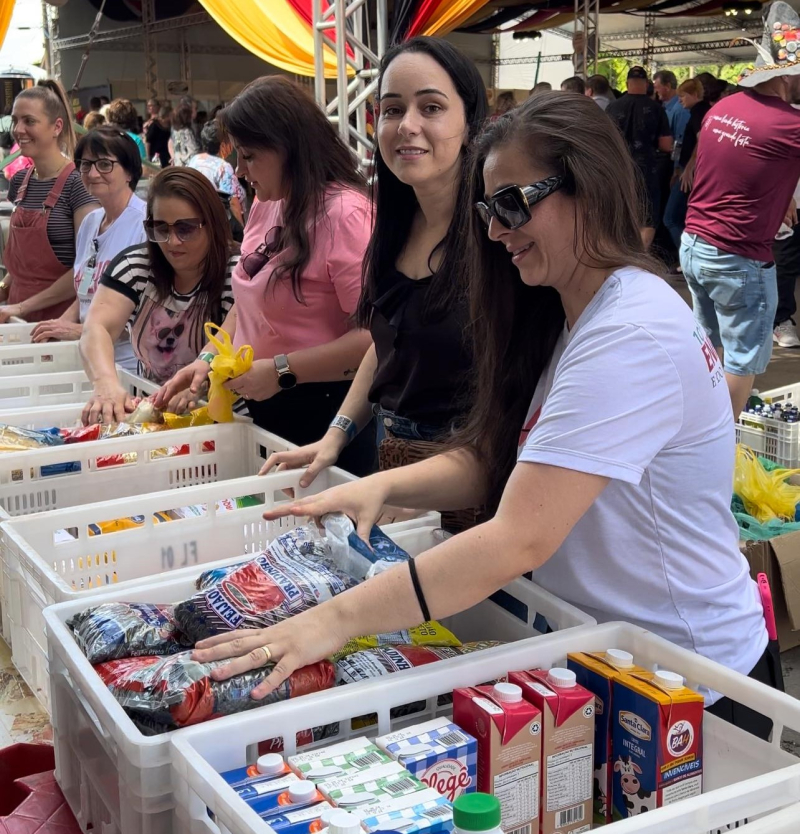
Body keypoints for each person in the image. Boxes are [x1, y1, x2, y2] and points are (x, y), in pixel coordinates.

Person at [194, 90, 779, 740]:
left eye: (512, 205)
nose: (497, 232)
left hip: (697, 684)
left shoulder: (630, 333)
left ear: (587, 187)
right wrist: (384, 485)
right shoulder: (573, 313)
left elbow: (517, 537)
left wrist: (329, 621)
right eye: (488, 209)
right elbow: (501, 460)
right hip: (623, 668)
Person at [251, 38, 487, 501]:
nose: (407, 126)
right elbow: (385, 343)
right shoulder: (393, 224)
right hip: (392, 455)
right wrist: (335, 437)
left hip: (469, 473)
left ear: (470, 120)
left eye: (432, 107)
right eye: (393, 109)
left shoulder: (495, 235)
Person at [153, 77, 375, 474]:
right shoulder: (268, 203)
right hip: (268, 407)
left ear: (290, 148)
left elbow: (375, 338)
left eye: (250, 156)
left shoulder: (347, 214)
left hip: (329, 414)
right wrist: (208, 358)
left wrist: (281, 371)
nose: (240, 170)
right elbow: (249, 299)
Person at [680, 0, 800, 417]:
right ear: (787, 73)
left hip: (695, 245)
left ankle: (694, 428)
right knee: (741, 362)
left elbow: (738, 166)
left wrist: (782, 199)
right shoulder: (789, 125)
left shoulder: (723, 109)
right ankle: (720, 447)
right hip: (738, 259)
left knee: (708, 351)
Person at [79, 167, 239, 423]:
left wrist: (202, 384)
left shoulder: (237, 273)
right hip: (152, 410)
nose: (173, 241)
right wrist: (106, 384)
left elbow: (237, 339)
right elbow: (97, 328)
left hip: (223, 420)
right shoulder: (135, 266)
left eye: (186, 229)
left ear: (213, 224)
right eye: (160, 228)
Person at [30, 127, 144, 371]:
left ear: (130, 172)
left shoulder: (144, 224)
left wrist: (78, 331)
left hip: (128, 367)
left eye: (104, 164)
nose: (92, 173)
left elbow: (145, 314)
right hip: (88, 357)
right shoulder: (91, 222)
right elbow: (87, 293)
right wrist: (58, 326)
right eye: (85, 164)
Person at [0, 80, 99, 324]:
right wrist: (4, 287)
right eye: (15, 120)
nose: (19, 129)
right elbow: (21, 264)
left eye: (29, 121)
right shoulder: (21, 181)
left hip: (58, 323)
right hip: (16, 319)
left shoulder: (78, 184)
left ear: (56, 127)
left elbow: (87, 269)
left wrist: (21, 307)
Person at [607, 66, 673, 248]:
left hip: (618, 171)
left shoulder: (612, 107)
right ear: (646, 84)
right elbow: (666, 145)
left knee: (620, 216)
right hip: (646, 170)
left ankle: (620, 255)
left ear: (628, 83)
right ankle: (639, 259)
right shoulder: (656, 109)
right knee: (647, 219)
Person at [663, 78, 710, 253]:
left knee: (671, 218)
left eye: (683, 96)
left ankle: (688, 256)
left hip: (691, 172)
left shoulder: (699, 112)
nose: (680, 100)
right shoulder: (699, 112)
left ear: (694, 95)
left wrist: (689, 166)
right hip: (686, 170)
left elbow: (703, 140)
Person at [186, 120, 246, 229]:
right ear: (223, 145)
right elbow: (232, 203)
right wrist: (242, 231)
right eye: (229, 142)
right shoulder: (223, 167)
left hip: (199, 219)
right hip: (220, 224)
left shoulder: (194, 160)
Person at [653, 69, 690, 149]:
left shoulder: (681, 110)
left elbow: (680, 143)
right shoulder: (663, 107)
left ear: (668, 87)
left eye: (657, 88)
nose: (655, 91)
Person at [170, 100, 199, 167]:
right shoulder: (186, 132)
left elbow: (171, 143)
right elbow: (192, 151)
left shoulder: (175, 131)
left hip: (178, 164)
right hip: (188, 166)